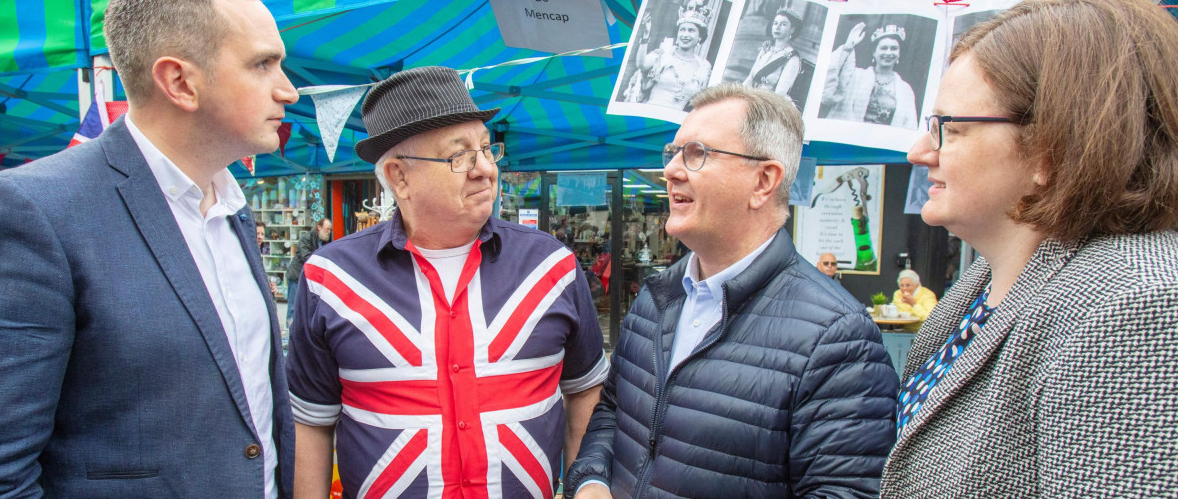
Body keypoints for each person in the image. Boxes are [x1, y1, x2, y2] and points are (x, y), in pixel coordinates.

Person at [0, 0, 298, 496]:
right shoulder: (36, 211)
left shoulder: (233, 207)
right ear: (179, 83)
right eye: (263, 64)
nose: (288, 89)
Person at [883, 0, 1178, 497]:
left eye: (948, 129)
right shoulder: (976, 292)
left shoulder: (1134, 306)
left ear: (1051, 145)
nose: (918, 152)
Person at [285, 66, 609, 499]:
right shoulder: (330, 279)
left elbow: (586, 390)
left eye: (486, 149)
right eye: (460, 155)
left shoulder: (552, 265)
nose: (484, 170)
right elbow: (311, 422)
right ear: (399, 177)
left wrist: (584, 484)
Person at [565, 83, 897, 498]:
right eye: (672, 152)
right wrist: (592, 481)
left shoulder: (838, 338)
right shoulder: (655, 299)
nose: (670, 171)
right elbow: (613, 413)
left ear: (763, 181)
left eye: (697, 153)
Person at [821, 22, 917, 129]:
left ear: (899, 54)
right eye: (884, 48)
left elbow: (910, 126)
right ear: (874, 52)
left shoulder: (906, 90)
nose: (888, 52)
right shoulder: (855, 76)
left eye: (894, 48)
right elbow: (827, 92)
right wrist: (848, 47)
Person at [626, 0, 714, 110]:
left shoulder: (703, 67)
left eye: (691, 31)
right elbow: (641, 64)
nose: (685, 34)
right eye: (682, 30)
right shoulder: (664, 54)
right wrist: (646, 35)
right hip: (649, 113)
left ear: (700, 37)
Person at [743, 8, 804, 105]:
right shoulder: (766, 48)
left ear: (792, 29)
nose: (777, 27)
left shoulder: (793, 58)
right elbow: (750, 77)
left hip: (770, 104)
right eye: (775, 23)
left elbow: (779, 94)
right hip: (752, 98)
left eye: (783, 24)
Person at [285, 217, 332, 322]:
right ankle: (289, 331)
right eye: (327, 229)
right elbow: (307, 257)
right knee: (293, 306)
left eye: (330, 229)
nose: (329, 232)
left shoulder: (324, 242)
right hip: (296, 276)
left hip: (309, 278)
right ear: (319, 227)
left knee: (306, 307)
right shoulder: (307, 238)